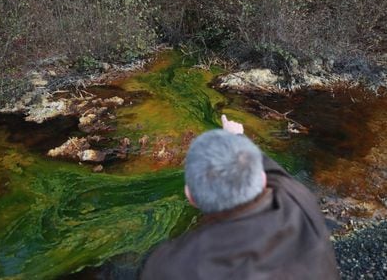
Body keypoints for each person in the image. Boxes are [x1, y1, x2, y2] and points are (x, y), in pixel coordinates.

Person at [141, 115, 339, 280]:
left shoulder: (171, 267)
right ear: (262, 179)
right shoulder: (298, 200)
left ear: (190, 196)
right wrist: (237, 138)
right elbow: (273, 173)